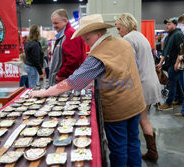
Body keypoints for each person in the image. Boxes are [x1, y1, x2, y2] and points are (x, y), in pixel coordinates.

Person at [30, 14, 146, 167]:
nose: (86, 44)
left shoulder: (98, 55)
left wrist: (44, 92)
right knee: (133, 142)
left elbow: (73, 82)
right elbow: (133, 68)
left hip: (118, 108)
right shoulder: (123, 43)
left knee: (118, 148)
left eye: (87, 39)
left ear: (98, 34)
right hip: (136, 102)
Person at [115, 13, 161, 162]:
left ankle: (151, 153)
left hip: (142, 84)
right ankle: (151, 151)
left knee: (142, 119)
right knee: (144, 118)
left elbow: (131, 65)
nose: (118, 31)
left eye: (119, 28)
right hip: (151, 81)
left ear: (125, 25)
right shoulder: (141, 36)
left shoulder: (128, 39)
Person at [49, 9, 86, 86]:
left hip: (67, 80)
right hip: (67, 79)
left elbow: (73, 59)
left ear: (65, 21)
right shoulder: (66, 34)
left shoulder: (69, 34)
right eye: (53, 23)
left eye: (56, 23)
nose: (54, 26)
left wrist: (61, 74)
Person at [157, 18, 184, 110]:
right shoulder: (169, 35)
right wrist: (160, 63)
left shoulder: (178, 34)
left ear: (175, 25)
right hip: (170, 63)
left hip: (174, 63)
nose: (167, 26)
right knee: (176, 82)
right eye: (166, 24)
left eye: (169, 24)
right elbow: (165, 51)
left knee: (171, 83)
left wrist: (177, 63)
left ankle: (168, 103)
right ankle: (180, 99)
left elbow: (182, 51)